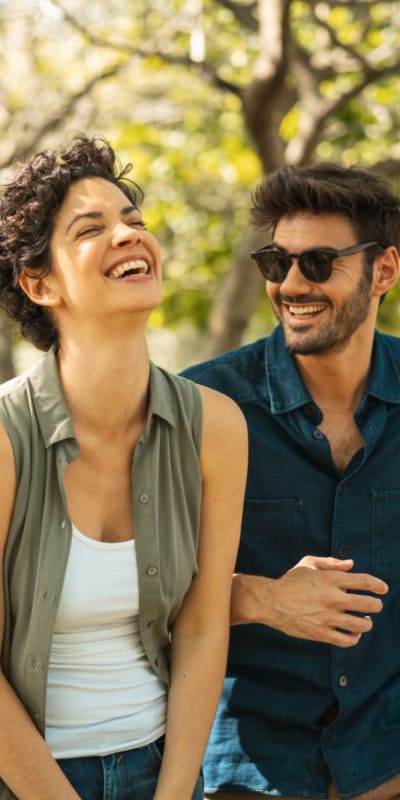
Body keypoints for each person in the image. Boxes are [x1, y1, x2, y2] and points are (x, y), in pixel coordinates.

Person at [0, 135, 248, 800]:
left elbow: (202, 624)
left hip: (161, 769)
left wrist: (173, 794)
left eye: (133, 221)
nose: (127, 236)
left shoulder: (216, 428)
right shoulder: (3, 437)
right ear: (40, 283)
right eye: (92, 228)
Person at [182, 162, 400, 800]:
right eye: (278, 263)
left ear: (384, 270)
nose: (292, 285)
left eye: (320, 261)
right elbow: (133, 591)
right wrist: (257, 598)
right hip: (252, 774)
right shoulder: (203, 404)